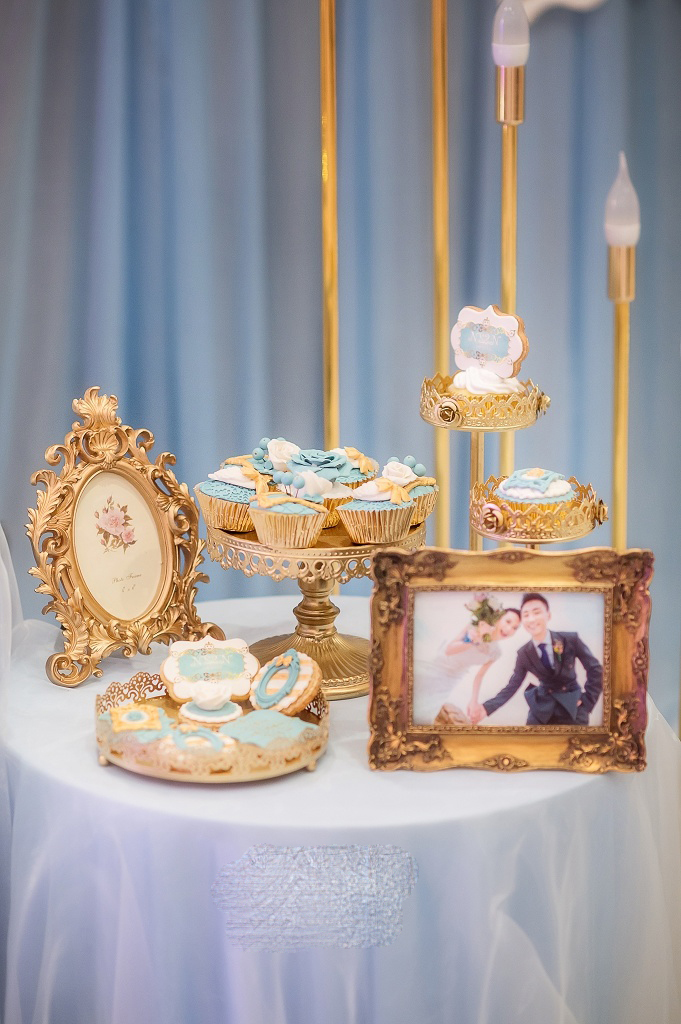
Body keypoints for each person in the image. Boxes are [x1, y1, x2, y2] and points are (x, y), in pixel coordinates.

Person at [468, 592, 602, 726]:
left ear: (548, 615)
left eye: (536, 612)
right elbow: (512, 685)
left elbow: (595, 669)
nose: (531, 619)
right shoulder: (523, 653)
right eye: (526, 615)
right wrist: (486, 708)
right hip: (541, 710)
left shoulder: (570, 639)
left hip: (573, 707)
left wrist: (587, 702)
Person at [412, 606, 521, 726]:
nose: (509, 629)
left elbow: (479, 676)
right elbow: (449, 650)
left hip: (452, 679)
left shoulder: (496, 653)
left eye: (515, 628)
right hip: (438, 664)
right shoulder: (476, 626)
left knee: (427, 711)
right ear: (498, 618)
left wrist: (474, 701)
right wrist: (473, 641)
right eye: (508, 621)